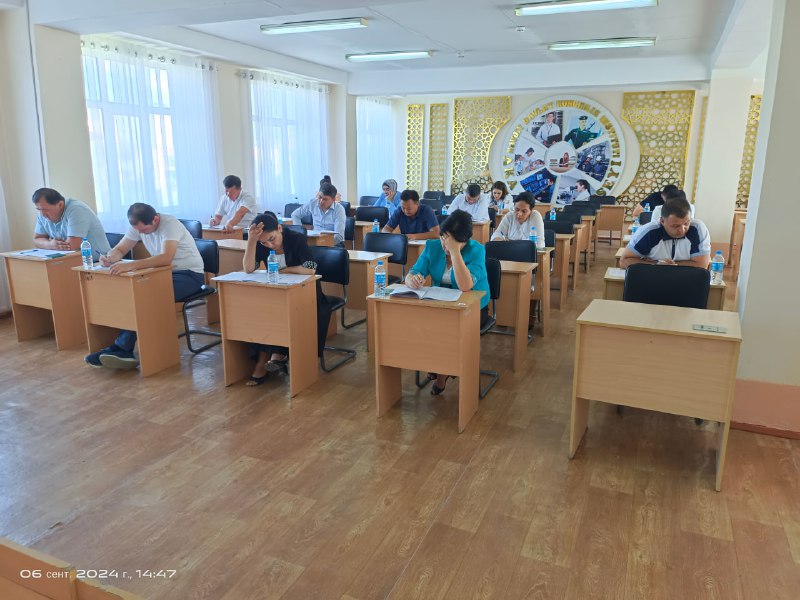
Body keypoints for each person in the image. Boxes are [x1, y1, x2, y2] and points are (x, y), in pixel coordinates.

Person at [84, 203, 205, 369]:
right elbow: (120, 249)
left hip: (189, 275)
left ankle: (122, 349)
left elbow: (165, 258)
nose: (141, 233)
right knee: (132, 294)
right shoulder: (138, 226)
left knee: (143, 297)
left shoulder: (170, 224)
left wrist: (131, 265)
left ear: (155, 219)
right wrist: (110, 257)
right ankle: (121, 348)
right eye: (138, 231)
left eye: (144, 230)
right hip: (161, 273)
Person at [404, 210, 490, 395]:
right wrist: (412, 280)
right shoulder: (432, 246)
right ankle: (438, 365)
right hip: (440, 304)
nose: (445, 244)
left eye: (451, 241)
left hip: (472, 309)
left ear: (464, 240)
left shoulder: (477, 250)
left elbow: (465, 286)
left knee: (445, 330)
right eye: (444, 238)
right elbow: (412, 272)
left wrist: (455, 252)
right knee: (420, 326)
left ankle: (441, 375)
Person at [242, 212, 332, 385]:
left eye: (272, 239)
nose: (270, 245)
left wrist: (285, 270)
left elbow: (310, 269)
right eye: (264, 242)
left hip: (306, 294)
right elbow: (248, 268)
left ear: (279, 228)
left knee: (281, 314)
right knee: (261, 314)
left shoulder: (296, 239)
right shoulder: (261, 243)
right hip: (277, 294)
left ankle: (274, 358)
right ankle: (271, 358)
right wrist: (252, 241)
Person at [620, 197, 711, 269]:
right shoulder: (649, 231)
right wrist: (657, 264)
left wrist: (668, 266)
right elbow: (624, 261)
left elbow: (702, 265)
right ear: (662, 221)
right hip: (653, 279)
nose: (682, 230)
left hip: (687, 280)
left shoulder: (697, 229)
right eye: (675, 226)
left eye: (686, 223)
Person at [32, 187, 110, 259]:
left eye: (46, 210)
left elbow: (72, 246)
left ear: (60, 205)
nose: (43, 215)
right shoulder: (42, 214)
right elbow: (37, 239)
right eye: (39, 209)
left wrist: (48, 244)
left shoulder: (77, 209)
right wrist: (50, 244)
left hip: (98, 262)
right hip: (69, 261)